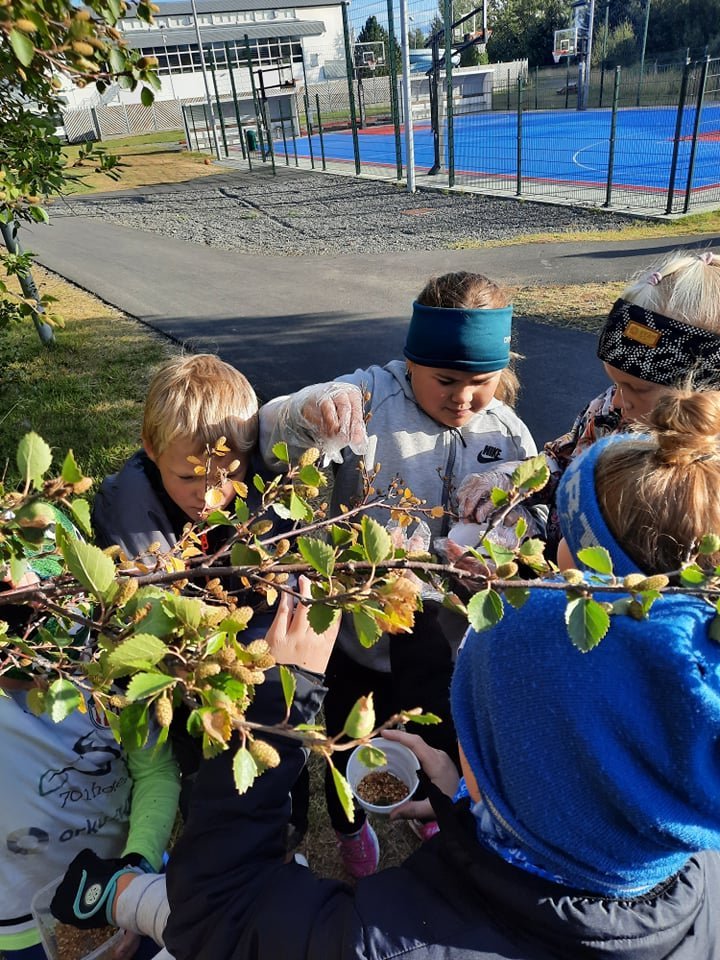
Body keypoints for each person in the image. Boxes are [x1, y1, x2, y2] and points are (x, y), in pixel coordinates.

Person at [58, 389, 720, 958]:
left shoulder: (389, 944)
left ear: (520, 766)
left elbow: (218, 911)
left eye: (474, 725)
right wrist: (468, 805)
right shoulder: (693, 861)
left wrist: (279, 707)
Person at [258, 271, 541, 875]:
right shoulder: (369, 398)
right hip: (357, 633)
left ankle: (432, 809)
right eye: (446, 380)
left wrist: (509, 531)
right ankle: (349, 827)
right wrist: (308, 410)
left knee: (432, 730)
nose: (463, 398)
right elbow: (272, 429)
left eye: (481, 382)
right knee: (346, 738)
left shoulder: (506, 431)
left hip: (444, 636)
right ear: (411, 362)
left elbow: (532, 511)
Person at [90, 353, 304, 833]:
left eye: (228, 476)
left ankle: (287, 832)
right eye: (188, 477)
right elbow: (145, 620)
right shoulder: (126, 514)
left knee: (278, 764)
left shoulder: (264, 498)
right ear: (150, 448)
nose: (209, 495)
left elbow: (278, 588)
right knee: (201, 771)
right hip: (184, 684)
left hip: (257, 673)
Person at [457, 248, 720, 559]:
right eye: (615, 382)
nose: (618, 400)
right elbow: (563, 460)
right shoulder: (610, 410)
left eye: (638, 389)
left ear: (706, 391)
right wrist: (515, 482)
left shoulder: (706, 478)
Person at [0, 545, 180, 959]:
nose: (42, 683)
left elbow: (154, 770)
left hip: (134, 875)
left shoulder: (107, 661)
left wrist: (135, 871)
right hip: (24, 924)